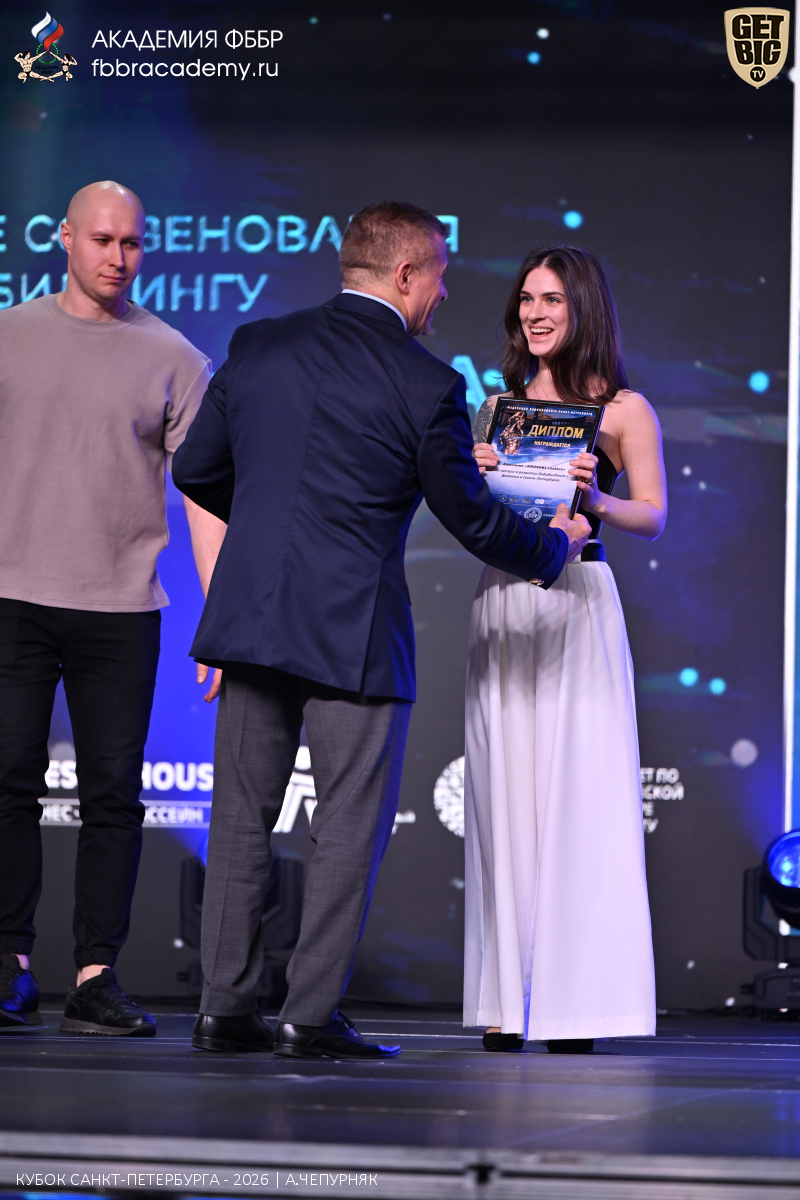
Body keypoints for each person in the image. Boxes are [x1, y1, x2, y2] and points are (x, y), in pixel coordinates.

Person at [172, 201, 591, 1060]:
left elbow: (195, 468)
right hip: (352, 634)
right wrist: (555, 547)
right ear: (406, 275)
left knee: (241, 818)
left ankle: (223, 1010)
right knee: (346, 827)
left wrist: (267, 524)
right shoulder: (427, 383)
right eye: (439, 276)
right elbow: (472, 520)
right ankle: (308, 1016)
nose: (444, 295)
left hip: (250, 621)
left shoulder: (258, 344)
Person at [0, 181, 221, 1035]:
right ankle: (9, 964)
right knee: (7, 781)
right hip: (12, 595)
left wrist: (221, 616)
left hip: (121, 607)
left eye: (131, 243)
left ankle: (96, 976)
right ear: (64, 239)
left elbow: (204, 498)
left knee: (113, 795)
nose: (118, 258)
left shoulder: (175, 357)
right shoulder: (10, 335)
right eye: (101, 240)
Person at [463, 245, 667, 1053]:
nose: (535, 313)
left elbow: (653, 514)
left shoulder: (623, 409)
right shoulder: (498, 409)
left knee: (579, 795)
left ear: (583, 306)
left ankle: (576, 1005)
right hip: (504, 597)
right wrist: (474, 475)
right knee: (504, 797)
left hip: (579, 598)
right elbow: (476, 515)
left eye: (551, 299)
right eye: (526, 299)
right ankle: (507, 1002)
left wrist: (599, 499)